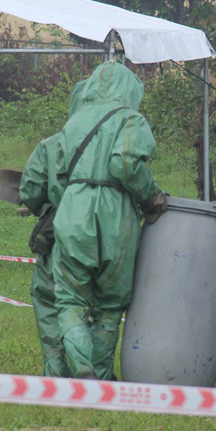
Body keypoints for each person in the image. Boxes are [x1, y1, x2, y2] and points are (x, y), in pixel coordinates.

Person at [50, 61, 167, 380]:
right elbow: (125, 165)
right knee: (110, 307)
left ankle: (81, 364)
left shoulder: (73, 123)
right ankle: (99, 380)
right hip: (117, 218)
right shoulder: (132, 119)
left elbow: (59, 175)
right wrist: (152, 195)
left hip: (74, 210)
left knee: (70, 299)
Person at [19, 79, 88, 378]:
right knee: (103, 308)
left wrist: (46, 209)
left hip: (62, 236)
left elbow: (30, 190)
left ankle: (58, 369)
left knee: (48, 298)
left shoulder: (50, 145)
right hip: (110, 239)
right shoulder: (119, 143)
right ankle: (97, 367)